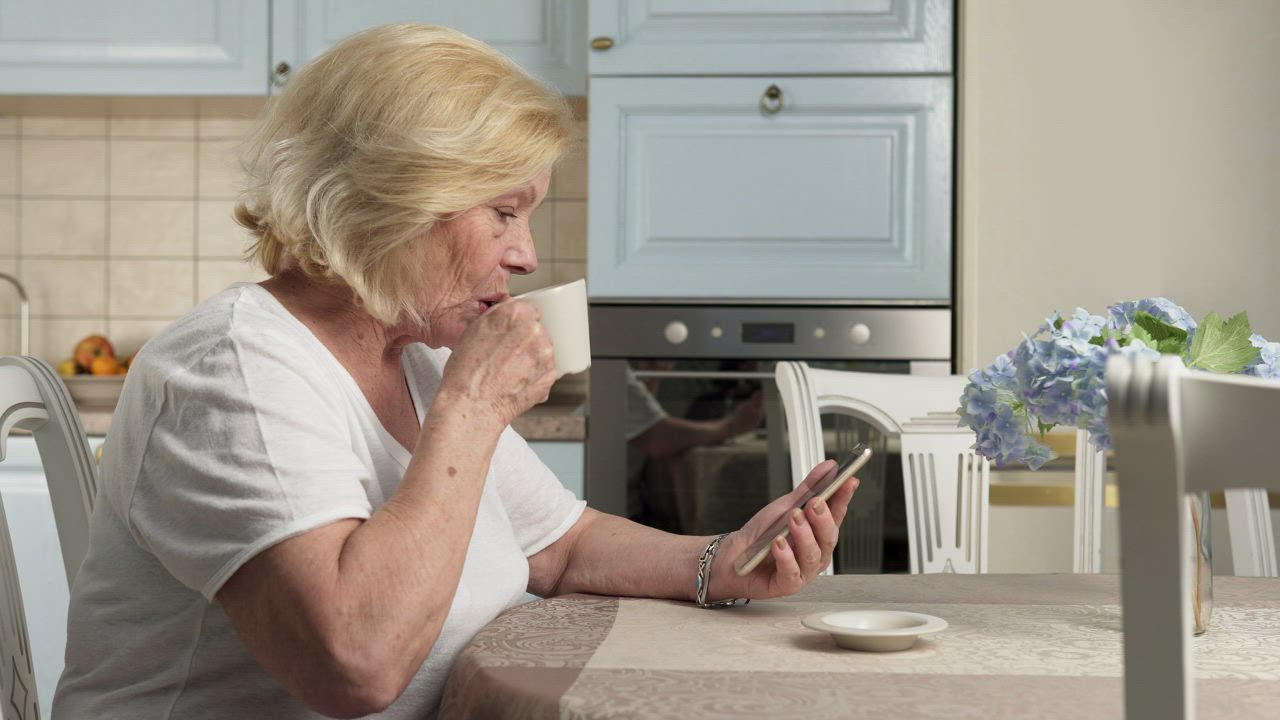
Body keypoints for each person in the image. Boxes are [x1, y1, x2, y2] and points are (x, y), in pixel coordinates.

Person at [52, 23, 859, 719]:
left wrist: (725, 560)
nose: (527, 254)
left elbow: (562, 546)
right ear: (392, 200)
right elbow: (354, 665)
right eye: (503, 212)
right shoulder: (231, 372)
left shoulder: (418, 357)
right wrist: (471, 410)